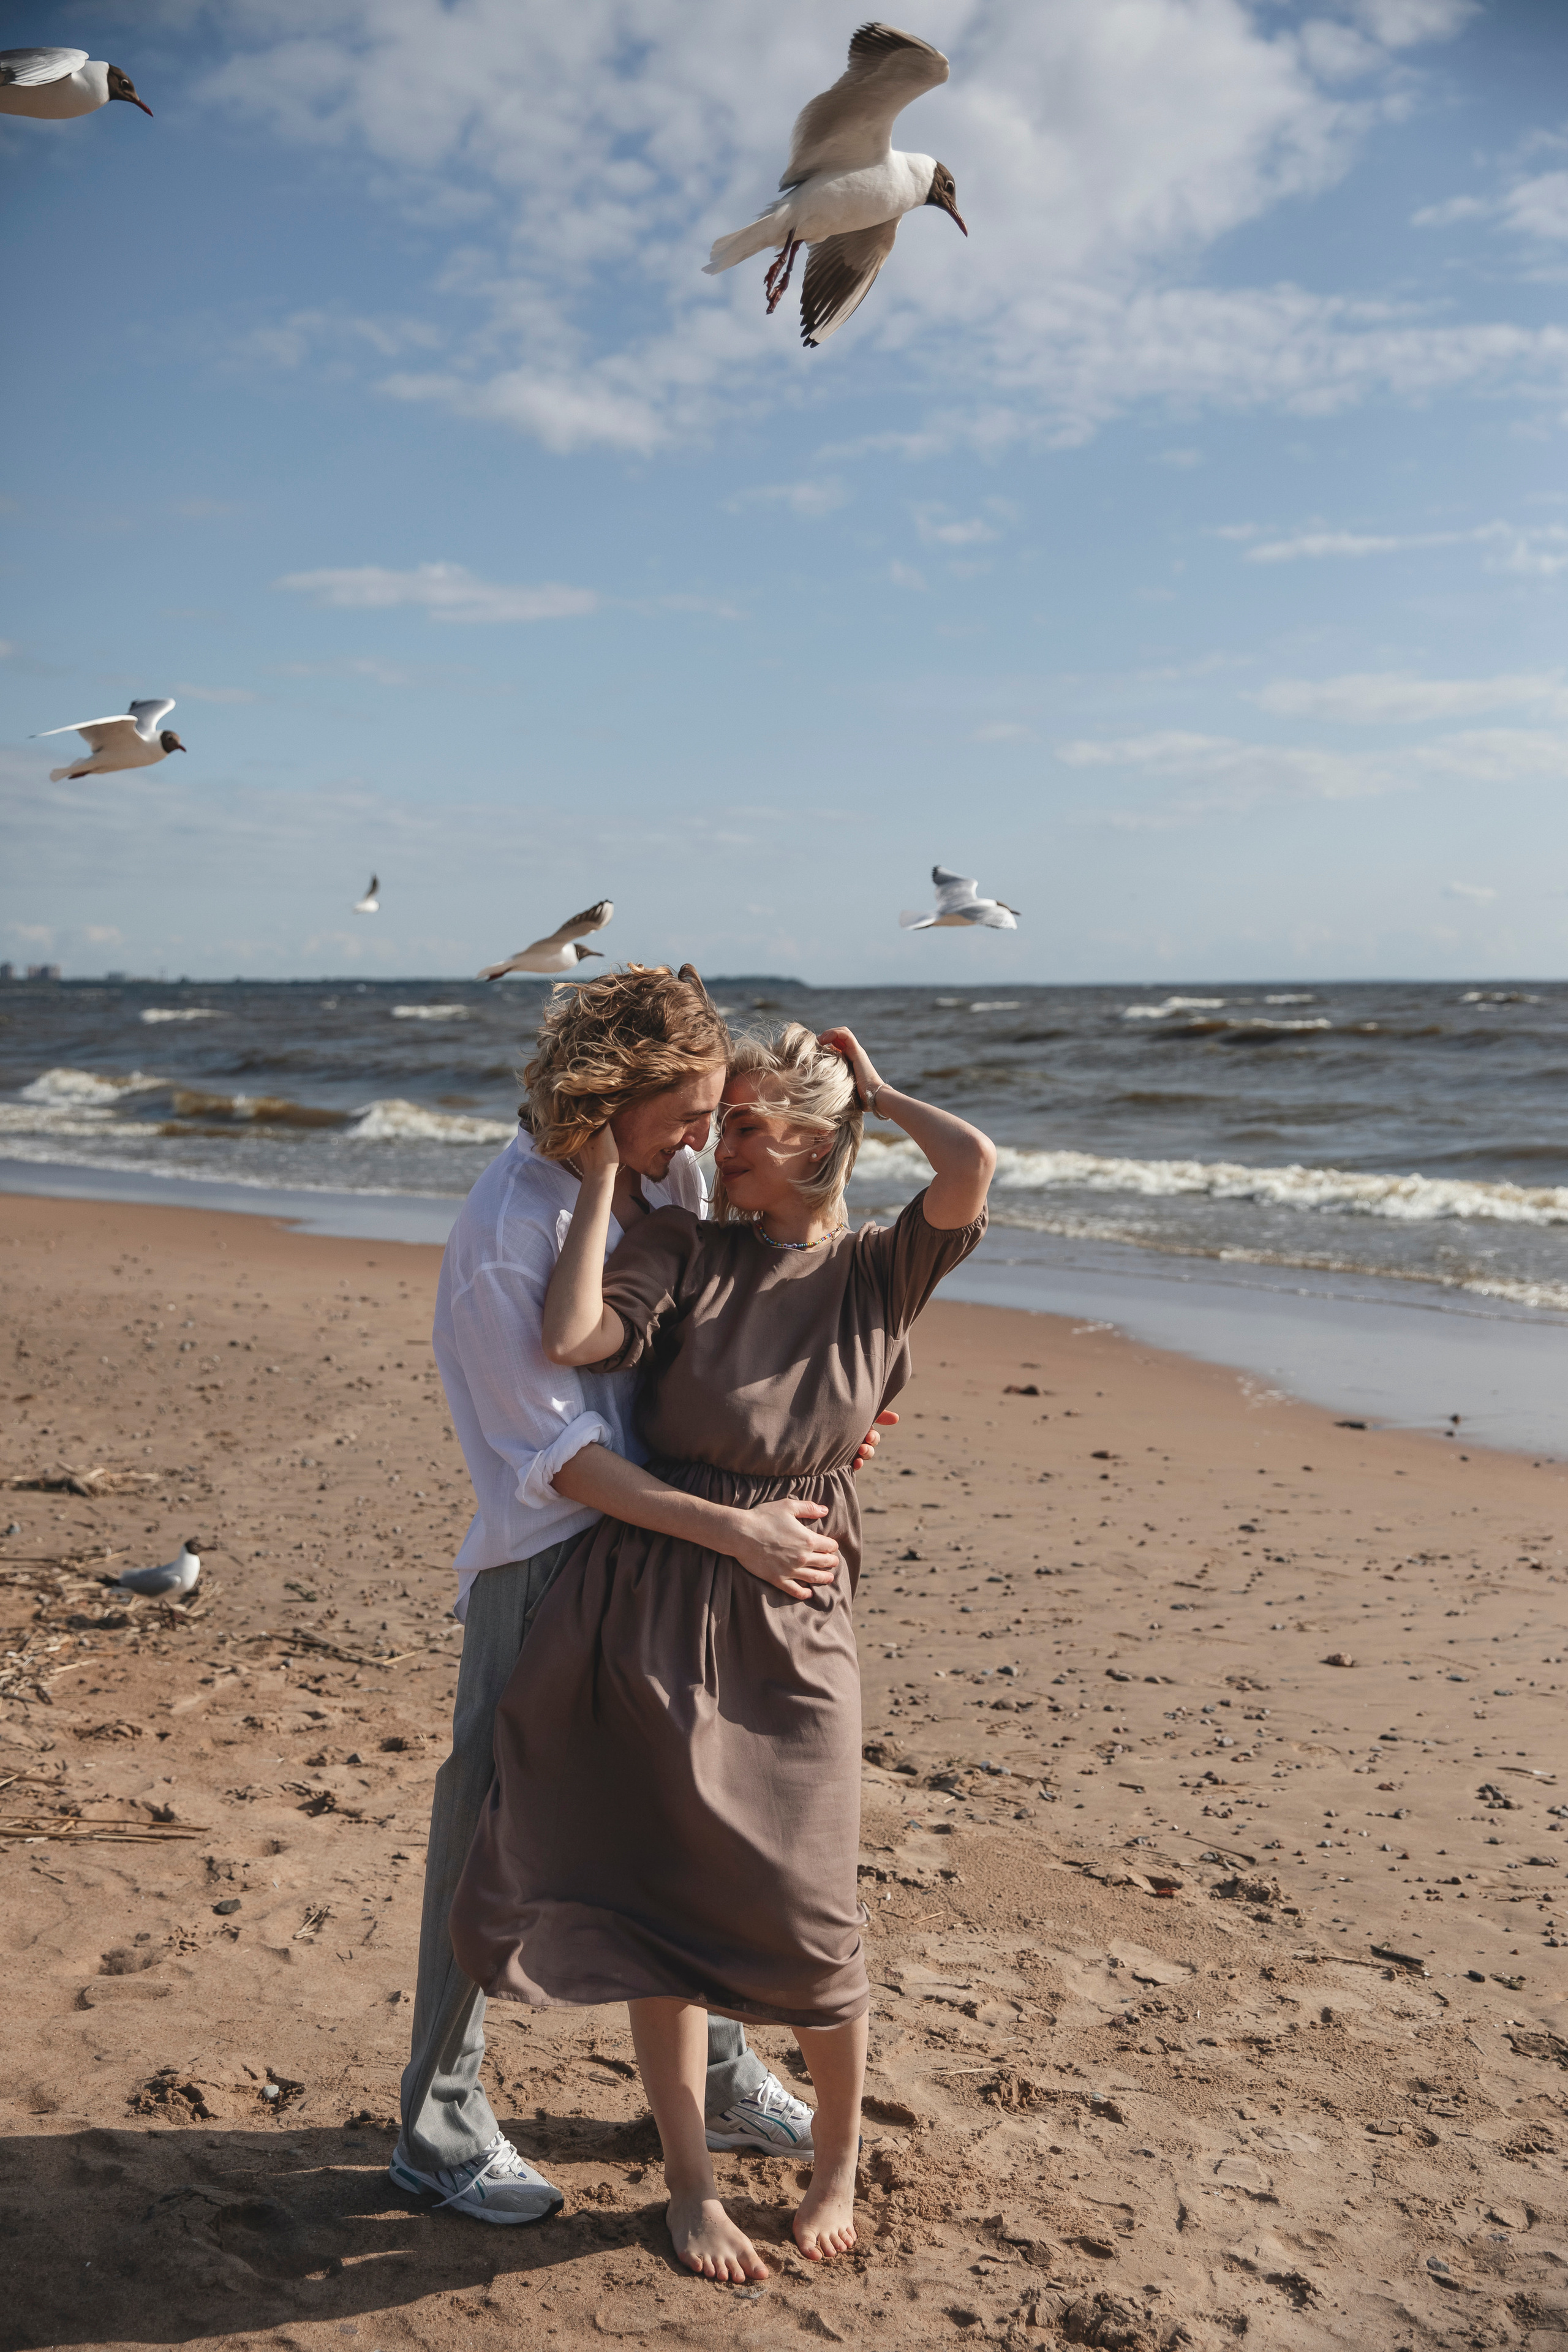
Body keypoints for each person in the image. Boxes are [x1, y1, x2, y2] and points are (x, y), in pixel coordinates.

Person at [450, 1021, 995, 2278]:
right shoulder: (685, 1242)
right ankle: (689, 2185)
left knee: (813, 1905)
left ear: (811, 1138)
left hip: (797, 1601)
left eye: (743, 1124)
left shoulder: (880, 1268)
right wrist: (602, 1178)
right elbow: (573, 1338)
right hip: (660, 1588)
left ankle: (835, 2164)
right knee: (666, 1899)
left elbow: (970, 1167)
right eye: (717, 1121)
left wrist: (879, 1092)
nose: (714, 1147)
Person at [393, 968, 891, 2225]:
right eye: (686, 1117)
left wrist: (814, 1430)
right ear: (608, 1099)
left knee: (701, 1825)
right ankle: (437, 2127)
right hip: (551, 1554)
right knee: (489, 1828)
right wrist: (735, 1528)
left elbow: (726, 1317)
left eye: (715, 1117)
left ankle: (718, 2077)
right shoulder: (505, 1237)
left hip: (677, 1554)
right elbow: (560, 1457)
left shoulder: (663, 1175)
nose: (703, 1143)